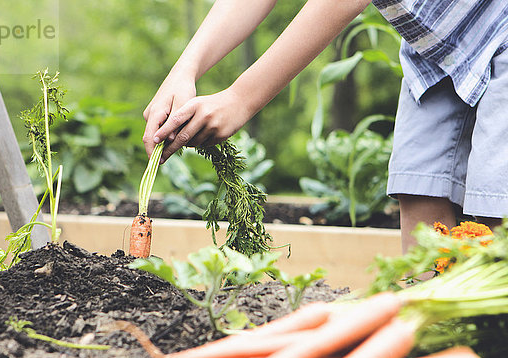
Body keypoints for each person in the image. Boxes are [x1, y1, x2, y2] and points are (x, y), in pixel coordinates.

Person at [141, 0, 508, 253]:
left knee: (497, 210)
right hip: (434, 43)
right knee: (420, 193)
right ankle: (435, 349)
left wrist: (241, 98)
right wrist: (184, 71)